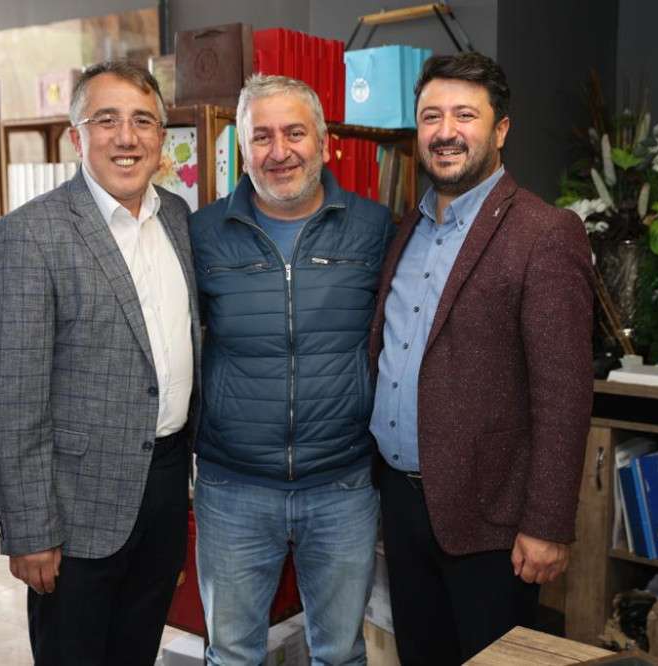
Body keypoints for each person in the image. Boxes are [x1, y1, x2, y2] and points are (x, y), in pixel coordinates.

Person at [368, 51, 594, 665]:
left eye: (465, 115)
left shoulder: (544, 234)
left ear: (500, 130)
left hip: (493, 522)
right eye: (431, 116)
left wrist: (547, 524)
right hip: (403, 506)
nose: (445, 131)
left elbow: (564, 395)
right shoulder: (406, 229)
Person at [0, 60, 200, 666]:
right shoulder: (30, 235)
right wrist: (29, 529)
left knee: (137, 651)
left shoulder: (178, 218)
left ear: (162, 138)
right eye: (106, 120)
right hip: (73, 509)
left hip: (163, 488)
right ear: (76, 137)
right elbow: (10, 397)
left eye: (142, 121)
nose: (126, 137)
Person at [189, 73, 395, 665]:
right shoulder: (202, 233)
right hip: (232, 486)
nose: (279, 152)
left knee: (340, 654)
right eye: (262, 137)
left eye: (294, 133)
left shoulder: (375, 228)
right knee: (232, 655)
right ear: (242, 149)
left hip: (342, 485)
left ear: (325, 142)